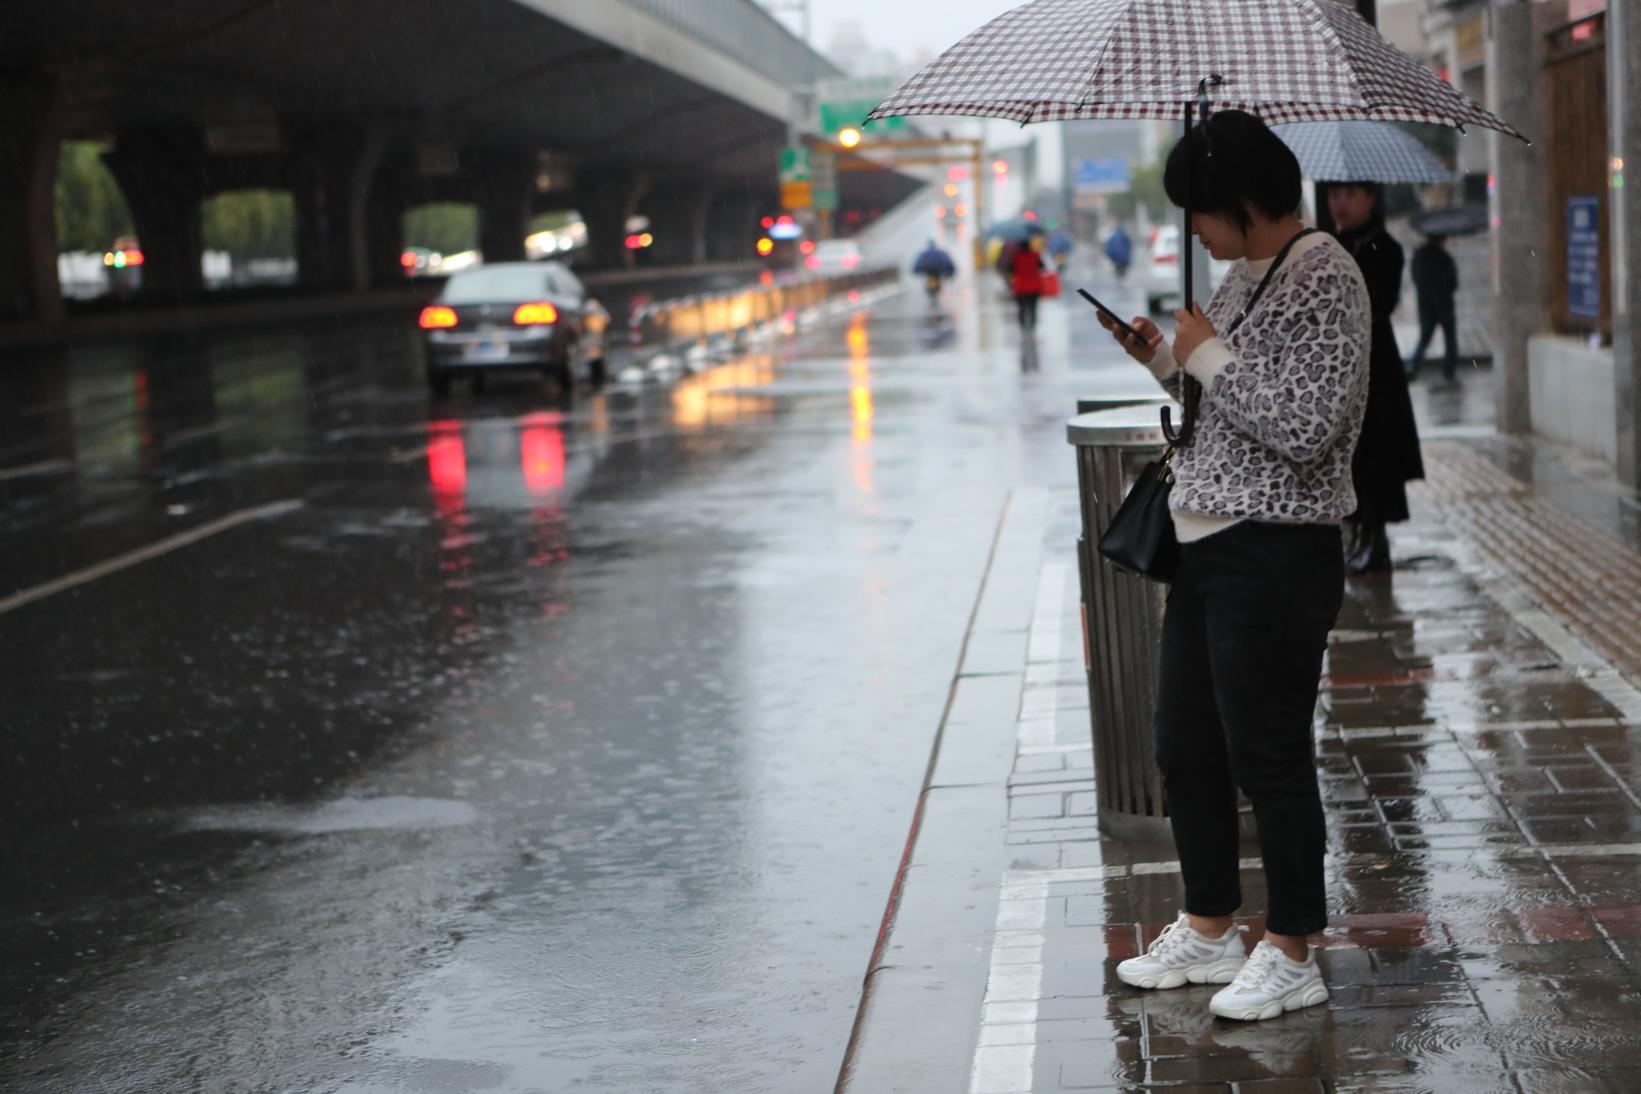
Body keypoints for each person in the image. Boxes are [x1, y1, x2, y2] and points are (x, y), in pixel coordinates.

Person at [1092, 109, 1371, 1023]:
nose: (1199, 234)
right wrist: (1165, 364)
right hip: (1207, 544)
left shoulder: (1326, 274)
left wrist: (1204, 349)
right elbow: (1224, 405)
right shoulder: (1246, 276)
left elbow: (1301, 426)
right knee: (1186, 748)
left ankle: (1292, 946)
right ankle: (1210, 925)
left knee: (1270, 756)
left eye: (1202, 214)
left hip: (1276, 549)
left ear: (1245, 201)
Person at [1328, 182, 1425, 575]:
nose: (1341, 202)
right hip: (1337, 362)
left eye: (1350, 194)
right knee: (1347, 456)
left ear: (1370, 199)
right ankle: (1357, 536)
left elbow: (1380, 300)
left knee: (1377, 451)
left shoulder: (1385, 247)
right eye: (1335, 194)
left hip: (1375, 361)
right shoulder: (1328, 246)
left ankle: (1376, 537)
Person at [1408, 233, 1459, 384]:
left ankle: (1413, 368)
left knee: (1424, 339)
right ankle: (1449, 372)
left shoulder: (1419, 257)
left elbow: (1416, 279)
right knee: (1450, 340)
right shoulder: (1444, 258)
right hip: (1444, 304)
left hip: (1426, 306)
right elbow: (1453, 282)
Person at [1010, 233, 1047, 333]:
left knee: (1022, 308)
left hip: (1021, 287)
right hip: (1034, 287)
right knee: (1033, 308)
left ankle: (1023, 328)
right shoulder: (1035, 255)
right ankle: (1032, 327)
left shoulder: (1016, 257)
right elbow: (1043, 267)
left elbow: (1011, 270)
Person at [912, 239, 956, 303]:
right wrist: (949, 272)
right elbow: (947, 263)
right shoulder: (940, 253)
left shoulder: (924, 254)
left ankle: (933, 293)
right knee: (934, 283)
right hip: (936, 272)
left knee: (932, 283)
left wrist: (917, 271)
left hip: (929, 272)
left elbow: (917, 265)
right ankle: (935, 292)